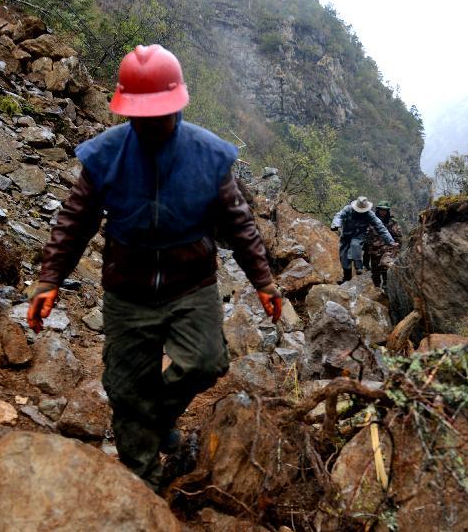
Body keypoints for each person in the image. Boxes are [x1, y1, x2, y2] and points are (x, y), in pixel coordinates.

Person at [25, 45, 282, 490]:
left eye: (158, 113)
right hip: (128, 290)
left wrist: (263, 280)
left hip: (191, 284)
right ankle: (145, 487)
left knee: (205, 362)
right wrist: (51, 278)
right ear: (127, 110)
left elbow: (239, 223)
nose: (150, 123)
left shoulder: (210, 155)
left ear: (177, 104)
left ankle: (156, 418)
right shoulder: (105, 156)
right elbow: (76, 219)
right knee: (126, 390)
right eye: (140, 115)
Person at [330, 196, 396, 282]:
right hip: (346, 236)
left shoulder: (370, 214)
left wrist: (390, 241)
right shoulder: (348, 209)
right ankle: (346, 278)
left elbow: (381, 227)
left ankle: (359, 267)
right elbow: (339, 216)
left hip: (359, 235)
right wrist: (335, 224)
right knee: (344, 258)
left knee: (355, 245)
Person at [363, 201, 402, 288]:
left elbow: (398, 237)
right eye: (381, 210)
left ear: (388, 211)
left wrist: (395, 251)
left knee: (386, 270)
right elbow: (365, 235)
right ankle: (377, 290)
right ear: (378, 210)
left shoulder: (392, 222)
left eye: (385, 210)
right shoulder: (371, 220)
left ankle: (386, 289)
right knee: (375, 273)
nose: (383, 212)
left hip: (387, 251)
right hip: (373, 251)